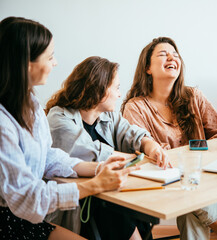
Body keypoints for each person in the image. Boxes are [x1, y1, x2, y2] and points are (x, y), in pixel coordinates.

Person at [0, 16, 137, 240]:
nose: (55, 63)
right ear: (27, 64)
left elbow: (48, 157)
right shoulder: (4, 123)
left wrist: (97, 169)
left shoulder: (31, 105)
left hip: (26, 217)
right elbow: (27, 199)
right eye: (50, 56)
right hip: (11, 220)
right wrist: (94, 185)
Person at [122, 37, 217, 240]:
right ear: (147, 68)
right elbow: (138, 149)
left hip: (201, 178)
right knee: (192, 190)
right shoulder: (135, 107)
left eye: (175, 54)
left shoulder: (194, 96)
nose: (171, 57)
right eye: (163, 54)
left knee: (191, 204)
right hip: (161, 185)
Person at [46, 56, 170, 239]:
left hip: (108, 195)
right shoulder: (59, 118)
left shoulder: (108, 116)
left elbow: (132, 133)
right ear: (100, 89)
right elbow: (94, 153)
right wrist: (136, 158)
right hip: (77, 204)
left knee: (136, 208)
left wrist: (151, 146)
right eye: (117, 88)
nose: (120, 95)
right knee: (116, 211)